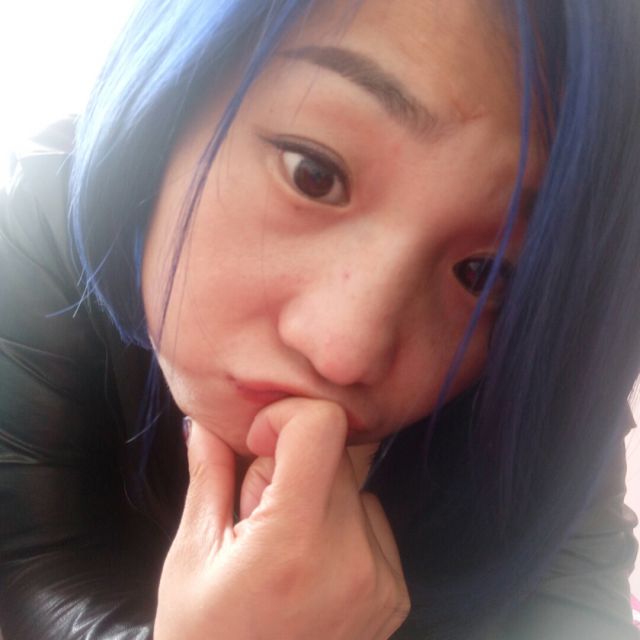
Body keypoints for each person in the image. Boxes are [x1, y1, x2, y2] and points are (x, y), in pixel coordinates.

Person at [0, 0, 639, 638]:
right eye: (314, 174)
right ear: (172, 93)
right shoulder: (37, 226)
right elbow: (24, 572)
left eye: (486, 273)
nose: (344, 352)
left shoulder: (550, 383)